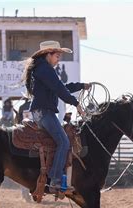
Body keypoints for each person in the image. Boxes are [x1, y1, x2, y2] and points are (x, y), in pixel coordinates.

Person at [22, 40, 90, 193]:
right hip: (44, 112)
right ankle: (55, 179)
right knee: (64, 142)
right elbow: (59, 88)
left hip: (42, 112)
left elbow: (61, 87)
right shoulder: (45, 69)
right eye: (57, 56)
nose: (59, 59)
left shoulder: (42, 69)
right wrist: (75, 103)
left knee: (61, 141)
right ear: (48, 54)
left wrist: (81, 85)